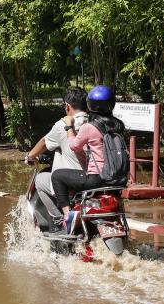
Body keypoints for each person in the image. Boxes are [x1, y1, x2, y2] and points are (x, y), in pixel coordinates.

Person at [51, 85, 123, 232]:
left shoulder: (89, 127)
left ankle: (67, 216)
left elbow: (74, 146)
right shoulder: (119, 126)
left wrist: (69, 127)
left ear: (90, 104)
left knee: (57, 176)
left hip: (96, 179)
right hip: (118, 179)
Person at [23, 88, 90, 227]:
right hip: (96, 180)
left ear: (67, 106)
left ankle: (60, 220)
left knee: (40, 180)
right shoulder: (96, 122)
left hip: (72, 182)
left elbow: (44, 142)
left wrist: (30, 156)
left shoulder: (63, 125)